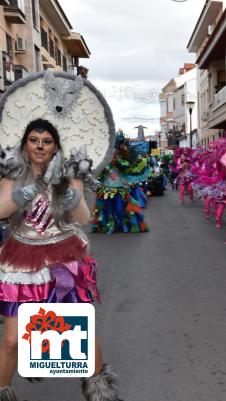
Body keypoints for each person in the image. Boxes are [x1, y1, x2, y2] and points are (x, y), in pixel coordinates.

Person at [0, 71, 123, 400]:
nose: (40, 146)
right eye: (34, 140)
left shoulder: (70, 173)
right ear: (25, 144)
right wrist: (27, 191)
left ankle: (98, 390)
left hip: (62, 258)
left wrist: (69, 192)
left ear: (55, 147)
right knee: (12, 338)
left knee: (78, 329)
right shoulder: (12, 175)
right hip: (21, 261)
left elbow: (84, 217)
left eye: (47, 141)